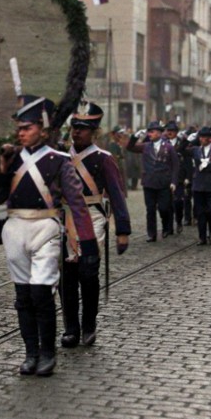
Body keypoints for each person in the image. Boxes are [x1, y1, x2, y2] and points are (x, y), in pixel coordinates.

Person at [0, 95, 94, 377]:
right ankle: (30, 353)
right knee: (22, 296)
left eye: (28, 127)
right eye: (19, 128)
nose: (21, 133)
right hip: (14, 229)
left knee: (41, 293)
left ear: (43, 130)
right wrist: (1, 169)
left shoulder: (59, 160)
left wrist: (88, 244)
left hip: (46, 228)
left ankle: (47, 353)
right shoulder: (10, 158)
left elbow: (77, 204)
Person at [60, 101, 130, 349]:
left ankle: (89, 325)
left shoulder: (104, 159)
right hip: (65, 218)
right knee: (66, 277)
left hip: (93, 217)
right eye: (74, 127)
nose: (77, 132)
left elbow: (117, 195)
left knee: (88, 274)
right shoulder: (59, 156)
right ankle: (70, 329)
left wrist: (122, 231)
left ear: (94, 132)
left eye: (83, 128)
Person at [126, 121, 179, 242]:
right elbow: (130, 147)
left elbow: (175, 166)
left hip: (164, 183)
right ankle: (151, 233)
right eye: (149, 132)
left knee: (164, 208)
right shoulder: (146, 146)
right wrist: (134, 137)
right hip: (149, 182)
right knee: (150, 210)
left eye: (152, 131)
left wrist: (174, 182)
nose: (150, 134)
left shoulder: (169, 147)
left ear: (160, 133)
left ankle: (166, 227)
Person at [187, 127, 211, 245]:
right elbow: (181, 149)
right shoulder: (195, 150)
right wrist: (189, 139)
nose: (203, 139)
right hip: (198, 185)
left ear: (210, 138)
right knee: (200, 212)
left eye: (205, 137)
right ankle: (202, 236)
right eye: (201, 137)